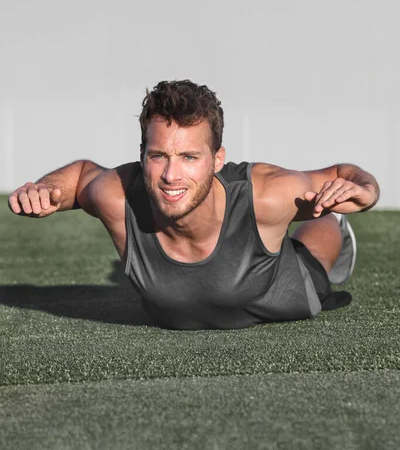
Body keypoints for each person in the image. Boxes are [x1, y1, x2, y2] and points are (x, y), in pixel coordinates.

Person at [8, 80, 380, 330]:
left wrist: (365, 193)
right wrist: (46, 189)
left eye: (189, 157)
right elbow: (81, 175)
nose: (171, 175)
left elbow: (344, 173)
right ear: (141, 155)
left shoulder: (266, 194)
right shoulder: (118, 196)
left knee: (319, 234)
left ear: (217, 159)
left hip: (283, 292)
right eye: (158, 156)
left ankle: (337, 230)